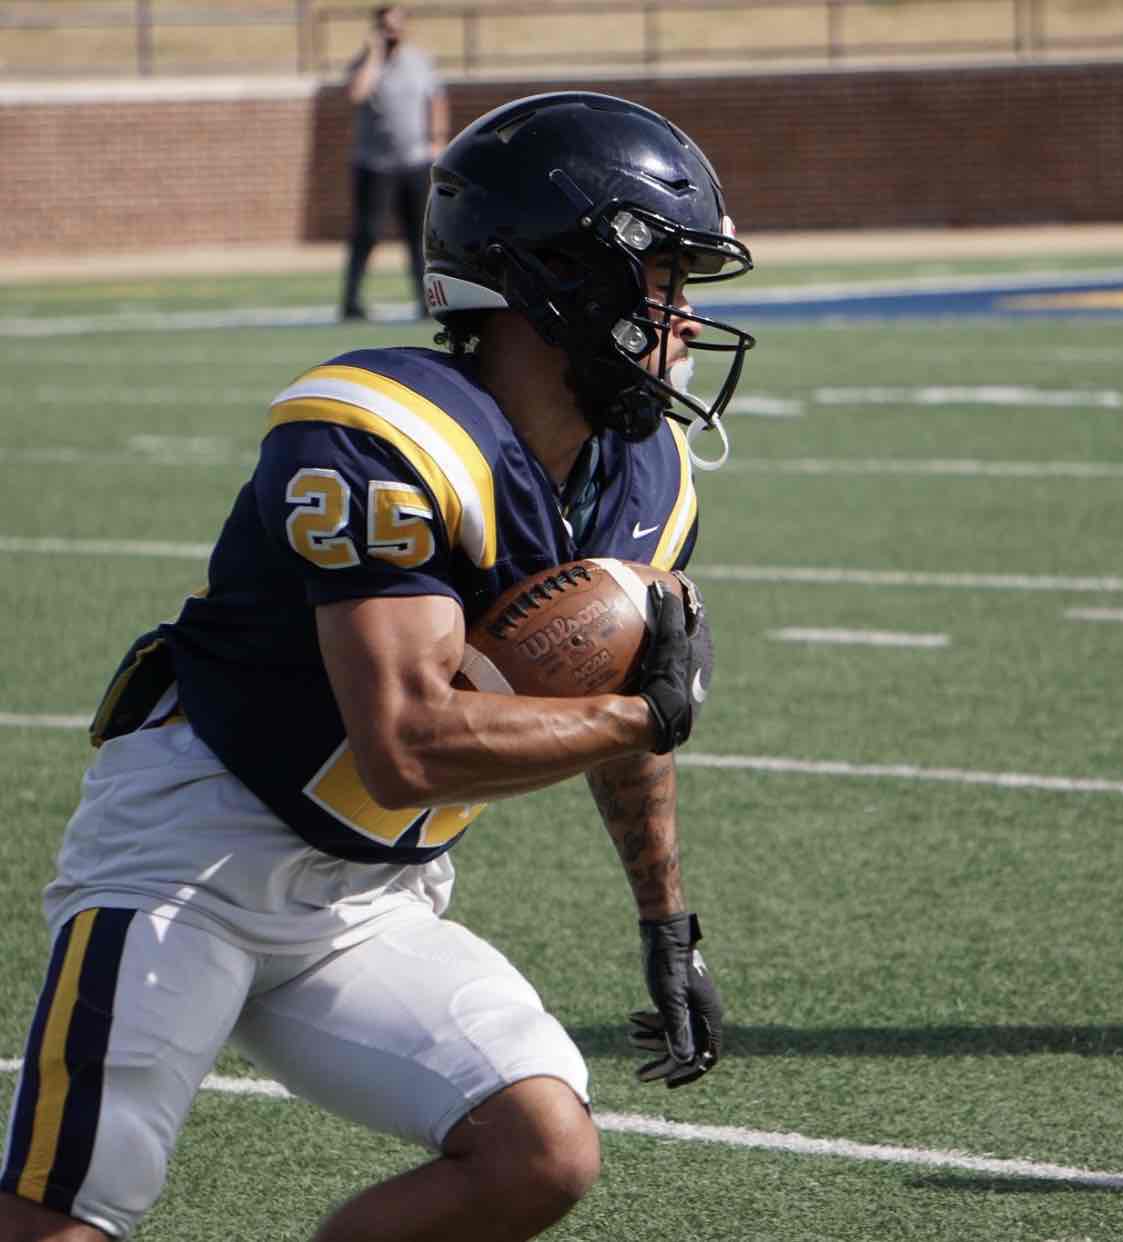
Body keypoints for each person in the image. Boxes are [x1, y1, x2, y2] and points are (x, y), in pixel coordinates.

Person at [0, 91, 756, 1242]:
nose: (687, 321)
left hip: (374, 901)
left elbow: (625, 703)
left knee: (538, 1152)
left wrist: (668, 925)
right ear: (558, 277)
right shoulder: (375, 432)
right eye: (662, 279)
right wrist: (640, 719)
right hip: (195, 856)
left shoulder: (646, 473)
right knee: (64, 1215)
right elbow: (405, 748)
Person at [340, 5, 450, 321]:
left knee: (419, 234)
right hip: (374, 163)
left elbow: (436, 99)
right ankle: (351, 301)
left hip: (414, 161)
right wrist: (374, 54)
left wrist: (437, 141)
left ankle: (425, 300)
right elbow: (356, 93)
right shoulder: (365, 62)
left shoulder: (419, 62)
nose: (392, 32)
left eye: (396, 25)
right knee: (367, 233)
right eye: (385, 26)